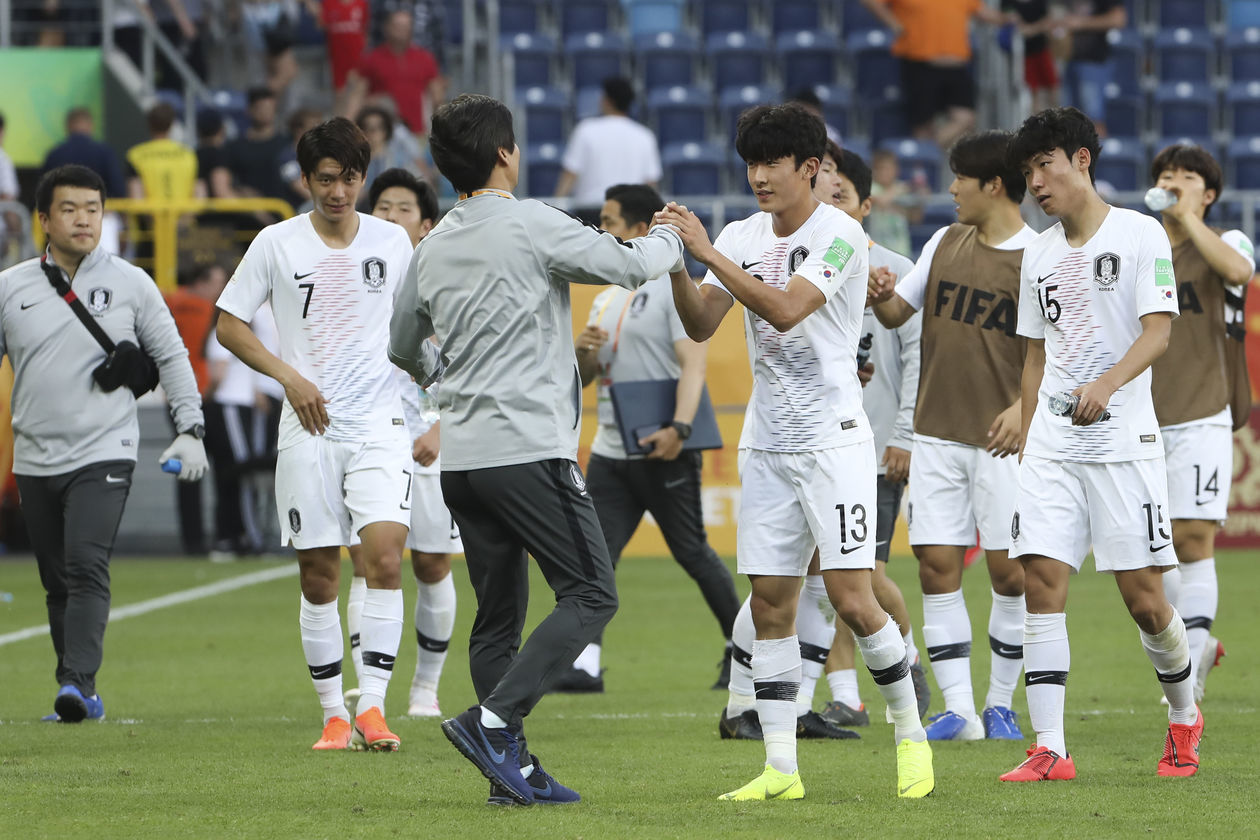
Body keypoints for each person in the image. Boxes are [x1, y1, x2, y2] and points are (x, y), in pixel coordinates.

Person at [387, 93, 685, 806]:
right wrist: (676, 238)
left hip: (463, 458)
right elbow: (624, 263)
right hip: (527, 449)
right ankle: (494, 724)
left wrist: (444, 378)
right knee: (590, 593)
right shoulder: (529, 222)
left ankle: (509, 771)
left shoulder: (432, 246)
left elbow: (402, 344)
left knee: (496, 617)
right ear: (504, 155)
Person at [657, 102, 933, 800]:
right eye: (750, 163)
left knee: (852, 596)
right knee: (772, 601)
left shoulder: (842, 233)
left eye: (771, 163)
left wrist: (706, 251)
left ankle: (910, 735)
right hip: (768, 443)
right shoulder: (742, 232)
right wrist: (672, 265)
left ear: (810, 168)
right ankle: (781, 768)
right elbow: (700, 322)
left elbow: (785, 308)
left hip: (835, 443)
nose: (757, 177)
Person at [1002, 106, 1199, 782]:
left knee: (1145, 600)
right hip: (1054, 444)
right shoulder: (1038, 252)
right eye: (1028, 172)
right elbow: (1034, 355)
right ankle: (1051, 747)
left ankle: (1183, 716)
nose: (1036, 183)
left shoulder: (1141, 235)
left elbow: (1159, 332)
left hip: (1123, 444)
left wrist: (1109, 384)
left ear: (1081, 160)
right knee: (1041, 580)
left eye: (1045, 165)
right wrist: (1030, 433)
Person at [215, 118, 416, 752]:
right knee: (319, 576)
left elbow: (418, 327)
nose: (338, 191)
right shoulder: (276, 243)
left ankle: (374, 709)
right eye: (325, 179)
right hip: (309, 430)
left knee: (385, 559)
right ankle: (333, 713)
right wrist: (289, 378)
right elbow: (229, 324)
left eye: (349, 178)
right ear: (305, 181)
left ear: (363, 176)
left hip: (381, 426)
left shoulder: (393, 240)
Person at [1, 164, 207, 722]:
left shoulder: (133, 282)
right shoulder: (10, 287)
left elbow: (172, 356)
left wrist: (191, 429)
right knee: (55, 582)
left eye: (93, 208)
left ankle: (75, 683)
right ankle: (81, 691)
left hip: (105, 451)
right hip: (34, 455)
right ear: (43, 219)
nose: (83, 219)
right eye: (69, 209)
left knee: (86, 564)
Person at [872, 130, 1034, 743]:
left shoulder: (1039, 256)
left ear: (992, 184)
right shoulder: (942, 241)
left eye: (958, 178)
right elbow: (898, 315)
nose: (950, 189)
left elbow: (1062, 353)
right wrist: (884, 297)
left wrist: (1025, 407)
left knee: (1009, 573)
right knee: (937, 567)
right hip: (935, 432)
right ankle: (960, 711)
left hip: (1004, 441)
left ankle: (1000, 703)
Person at [557, 183, 740, 694]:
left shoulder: (670, 286)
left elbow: (694, 363)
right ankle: (586, 665)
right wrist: (585, 353)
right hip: (614, 450)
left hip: (663, 445)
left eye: (611, 221)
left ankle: (739, 649)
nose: (602, 230)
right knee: (597, 559)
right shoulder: (607, 295)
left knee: (693, 553)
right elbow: (589, 377)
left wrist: (680, 428)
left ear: (641, 231)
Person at [811, 143, 929, 729]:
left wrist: (904, 434)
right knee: (828, 574)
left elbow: (916, 360)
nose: (827, 202)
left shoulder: (894, 270)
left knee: (864, 574)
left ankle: (907, 664)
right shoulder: (807, 265)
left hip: (878, 446)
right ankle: (845, 697)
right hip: (818, 443)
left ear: (864, 205)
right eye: (821, 191)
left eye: (838, 193)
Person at [346, 167, 460, 720]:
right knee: (368, 563)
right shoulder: (354, 278)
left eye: (403, 209)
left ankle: (425, 689)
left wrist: (443, 427)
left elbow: (467, 361)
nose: (390, 217)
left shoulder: (446, 282)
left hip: (430, 445)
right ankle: (370, 690)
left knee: (433, 565)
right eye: (382, 207)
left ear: (426, 223)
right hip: (368, 440)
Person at [1148, 144, 1255, 704]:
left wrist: (1187, 215)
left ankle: (1185, 679)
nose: (1174, 181)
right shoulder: (1140, 248)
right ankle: (1196, 644)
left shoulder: (1228, 241)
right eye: (1167, 175)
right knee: (1152, 549)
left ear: (1209, 193)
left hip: (1202, 413)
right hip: (1143, 417)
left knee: (1193, 538)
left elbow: (1239, 272)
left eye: (1188, 176)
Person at [860, 0, 1009, 147]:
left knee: (966, 118)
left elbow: (981, 11)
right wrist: (893, 23)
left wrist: (1009, 19)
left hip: (956, 64)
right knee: (923, 124)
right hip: (919, 61)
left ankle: (927, 153)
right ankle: (924, 158)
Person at [163, 262, 225, 555]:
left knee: (187, 471)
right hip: (201, 395)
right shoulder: (204, 309)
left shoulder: (169, 301)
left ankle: (193, 540)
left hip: (175, 397)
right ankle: (215, 537)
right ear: (201, 282)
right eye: (217, 282)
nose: (220, 290)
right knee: (219, 466)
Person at [555, 77, 662, 209]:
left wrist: (556, 208)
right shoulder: (645, 136)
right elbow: (651, 184)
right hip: (630, 214)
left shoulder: (586, 130)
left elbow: (570, 174)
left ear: (607, 101)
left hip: (592, 212)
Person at [341, 9, 445, 138]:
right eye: (398, 26)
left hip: (416, 132)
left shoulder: (426, 58)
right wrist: (346, 128)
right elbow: (356, 97)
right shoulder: (371, 59)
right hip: (382, 135)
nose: (402, 30)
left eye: (407, 26)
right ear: (387, 28)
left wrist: (441, 131)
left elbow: (438, 99)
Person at [1061, 0, 1126, 136]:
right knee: (1069, 122)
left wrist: (1081, 23)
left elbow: (1118, 19)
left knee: (1094, 122)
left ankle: (1102, 157)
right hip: (1071, 60)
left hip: (1094, 62)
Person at [224, 88, 293, 204]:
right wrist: (241, 192)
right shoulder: (234, 147)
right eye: (261, 108)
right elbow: (227, 183)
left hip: (285, 213)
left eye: (270, 108)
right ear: (249, 110)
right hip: (249, 214)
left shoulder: (287, 143)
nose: (266, 112)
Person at [42, 107, 127, 199]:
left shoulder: (54, 154)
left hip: (64, 208)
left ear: (68, 126)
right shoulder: (104, 152)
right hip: (99, 209)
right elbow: (118, 189)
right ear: (90, 125)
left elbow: (43, 190)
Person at [126, 102, 200, 201]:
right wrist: (183, 217)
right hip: (184, 216)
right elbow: (198, 196)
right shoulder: (188, 154)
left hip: (149, 215)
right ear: (171, 124)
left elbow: (137, 198)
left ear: (149, 124)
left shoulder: (135, 155)